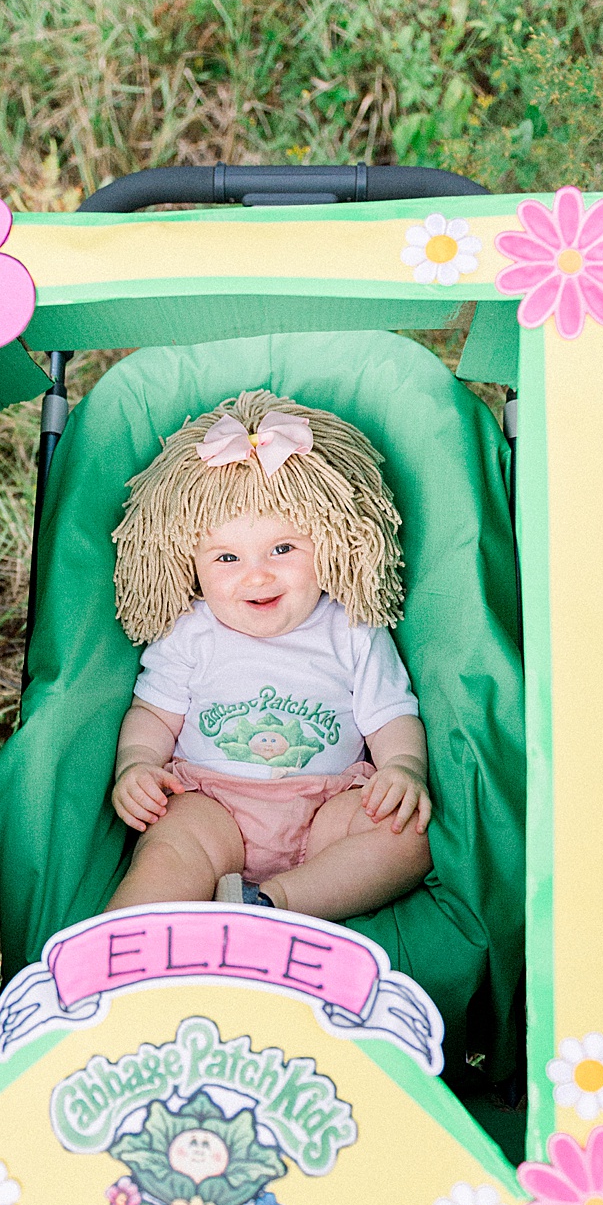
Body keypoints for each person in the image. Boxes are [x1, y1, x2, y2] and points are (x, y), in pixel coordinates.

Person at [106, 389, 432, 919]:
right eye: (227, 557)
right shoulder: (192, 630)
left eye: (283, 549)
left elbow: (391, 715)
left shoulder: (351, 626)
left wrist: (404, 768)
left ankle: (274, 905)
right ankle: (110, 960)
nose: (257, 575)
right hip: (212, 804)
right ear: (192, 566)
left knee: (405, 838)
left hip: (327, 804)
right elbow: (153, 713)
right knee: (170, 851)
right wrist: (136, 765)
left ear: (326, 543)